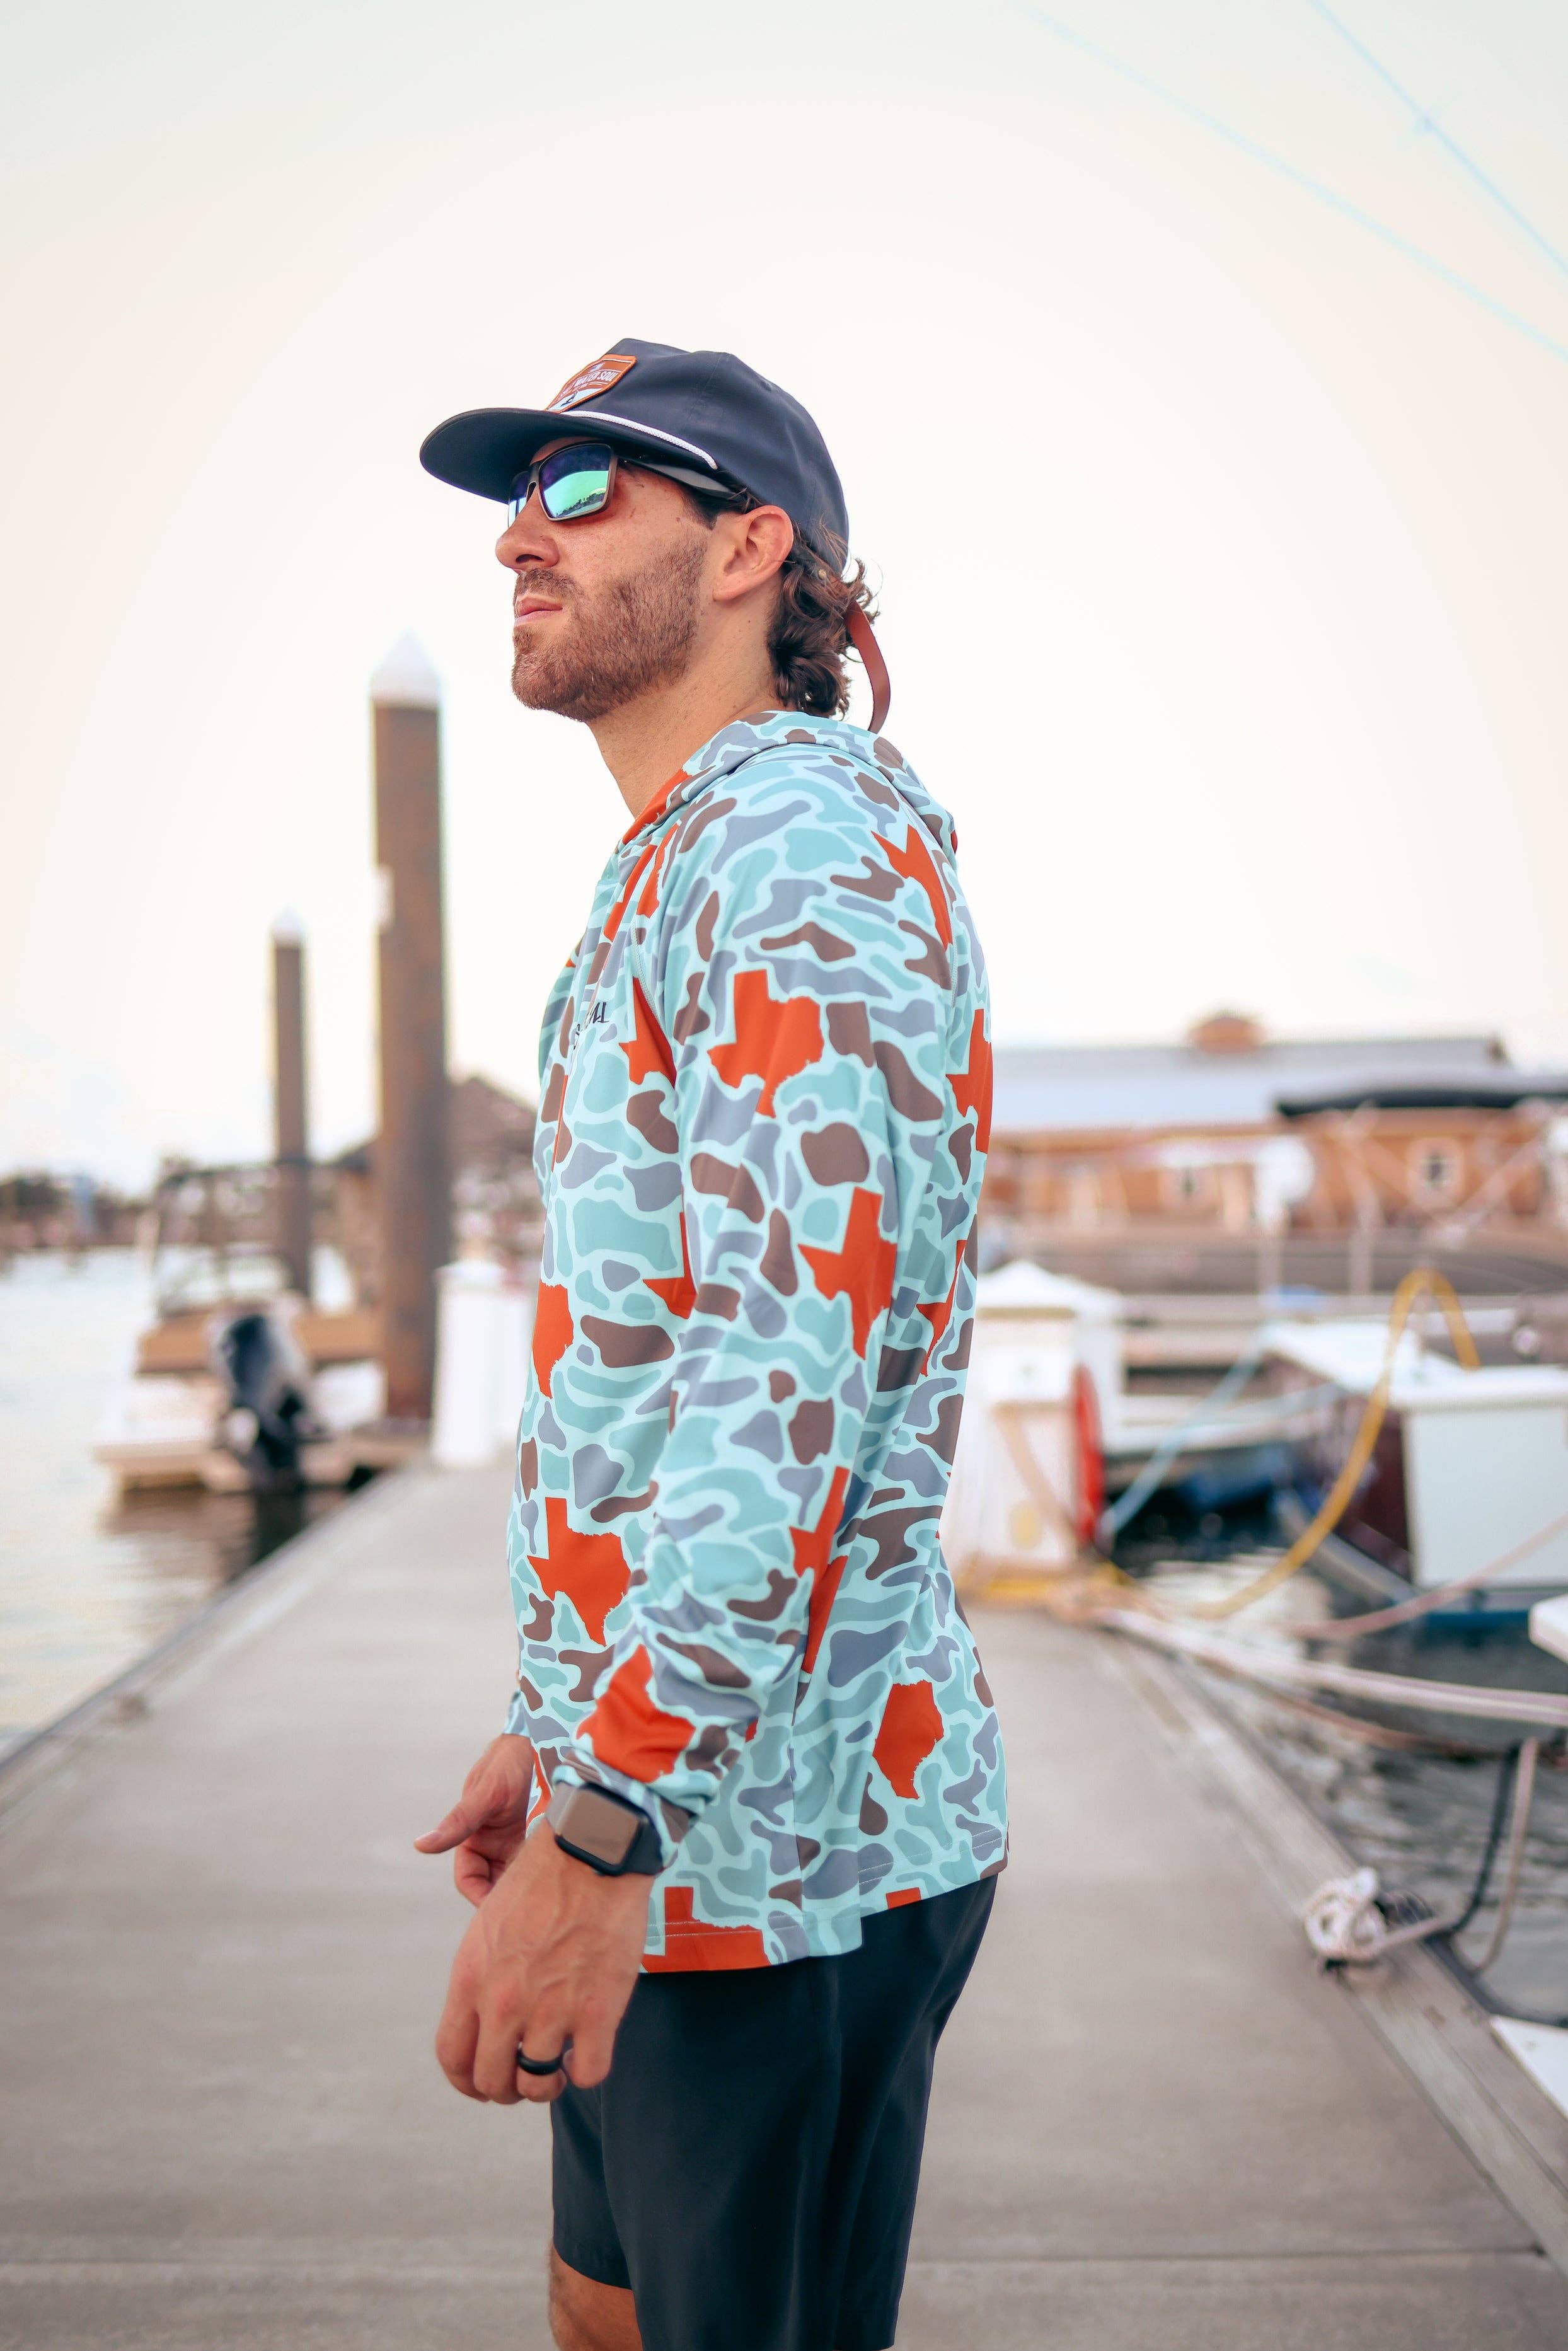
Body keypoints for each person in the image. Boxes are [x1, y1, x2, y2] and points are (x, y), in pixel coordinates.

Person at [414, 339, 1006, 2351]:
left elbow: (790, 1373)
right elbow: (664, 1362)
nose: (518, 534)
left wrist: (606, 1820)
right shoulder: (682, 850)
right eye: (521, 498)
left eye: (586, 494)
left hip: (778, 1858)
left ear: (754, 550)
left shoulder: (793, 848)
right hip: (672, 1810)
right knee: (606, 2315)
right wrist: (559, 1716)